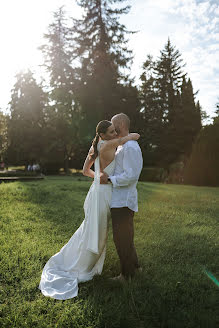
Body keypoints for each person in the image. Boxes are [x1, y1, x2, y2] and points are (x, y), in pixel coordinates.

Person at [38, 120, 140, 300]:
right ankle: (84, 265)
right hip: (104, 193)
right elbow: (134, 136)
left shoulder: (96, 145)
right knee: (97, 231)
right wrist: (104, 178)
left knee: (92, 228)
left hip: (97, 190)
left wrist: (98, 177)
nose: (115, 134)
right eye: (111, 131)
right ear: (102, 135)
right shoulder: (108, 144)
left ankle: (118, 263)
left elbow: (85, 170)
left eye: (115, 131)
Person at [100, 113, 143, 282]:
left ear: (121, 125)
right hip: (119, 198)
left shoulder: (131, 147)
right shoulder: (123, 146)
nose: (112, 128)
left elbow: (131, 176)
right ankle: (136, 267)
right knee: (126, 236)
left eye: (113, 125)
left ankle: (126, 275)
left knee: (121, 238)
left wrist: (110, 179)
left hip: (124, 200)